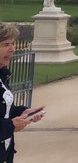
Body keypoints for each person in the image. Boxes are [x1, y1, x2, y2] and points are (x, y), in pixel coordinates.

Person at [0, 23, 46, 162]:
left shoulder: (2, 75)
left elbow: (4, 110)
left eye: (13, 43)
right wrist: (11, 125)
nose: (12, 49)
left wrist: (23, 113)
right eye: (6, 44)